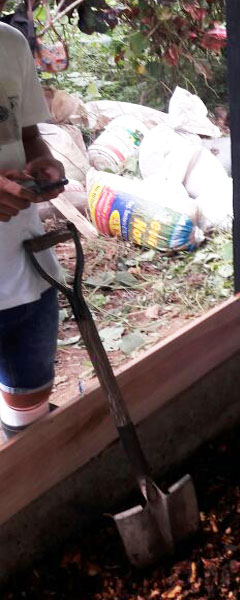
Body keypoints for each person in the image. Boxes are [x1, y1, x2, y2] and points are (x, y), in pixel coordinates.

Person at [0, 17, 66, 434]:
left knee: (27, 425)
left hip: (28, 274)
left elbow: (26, 135)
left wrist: (45, 162)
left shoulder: (9, 42)